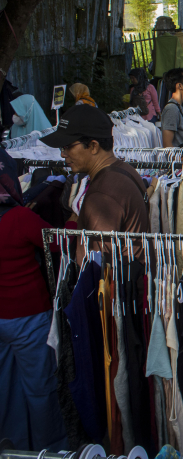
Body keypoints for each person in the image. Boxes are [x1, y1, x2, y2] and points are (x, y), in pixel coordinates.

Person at [0, 133, 67, 453]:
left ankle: (13, 446)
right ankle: (48, 449)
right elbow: (55, 241)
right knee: (40, 389)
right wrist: (76, 220)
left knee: (7, 387)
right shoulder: (17, 218)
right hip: (27, 316)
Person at [41, 105, 150, 259]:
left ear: (93, 146)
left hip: (118, 282)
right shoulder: (125, 170)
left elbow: (99, 267)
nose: (62, 154)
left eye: (68, 146)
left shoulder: (102, 194)